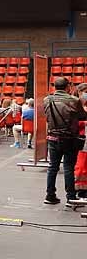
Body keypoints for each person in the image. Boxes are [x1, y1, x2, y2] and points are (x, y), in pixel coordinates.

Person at [42, 77, 87, 205]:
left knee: (52, 167)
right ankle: (70, 197)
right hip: (69, 138)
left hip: (52, 137)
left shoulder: (47, 100)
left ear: (54, 87)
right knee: (68, 167)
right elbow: (82, 116)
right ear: (68, 87)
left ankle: (50, 195)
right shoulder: (74, 100)